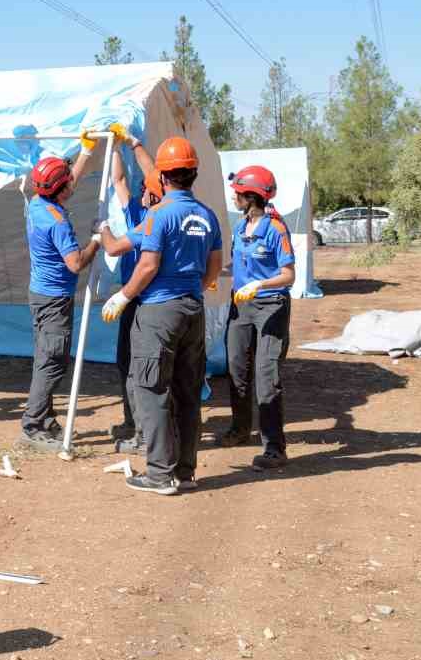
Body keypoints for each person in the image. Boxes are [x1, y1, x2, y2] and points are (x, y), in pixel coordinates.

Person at [102, 137, 222, 495]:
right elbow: (213, 270)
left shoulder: (159, 214)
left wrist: (123, 296)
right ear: (194, 173)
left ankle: (158, 474)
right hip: (193, 309)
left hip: (159, 312)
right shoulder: (206, 214)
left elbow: (148, 265)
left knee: (152, 390)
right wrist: (188, 290)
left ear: (164, 177)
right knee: (188, 393)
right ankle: (185, 472)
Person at [20, 153, 103, 451]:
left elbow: (66, 181)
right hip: (54, 300)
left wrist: (86, 152)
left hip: (39, 295)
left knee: (45, 358)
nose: (72, 184)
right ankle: (32, 424)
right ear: (60, 189)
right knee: (53, 363)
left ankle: (45, 419)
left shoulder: (38, 204)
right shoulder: (57, 222)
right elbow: (75, 263)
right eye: (68, 182)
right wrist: (97, 239)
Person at [95, 129, 165, 453]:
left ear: (155, 193)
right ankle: (132, 421)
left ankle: (143, 432)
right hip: (131, 298)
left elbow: (113, 248)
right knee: (125, 362)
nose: (141, 190)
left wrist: (102, 230)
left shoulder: (157, 218)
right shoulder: (140, 210)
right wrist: (116, 146)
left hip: (144, 299)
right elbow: (118, 182)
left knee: (140, 367)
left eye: (146, 189)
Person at [224, 164, 296, 470]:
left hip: (271, 306)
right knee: (236, 368)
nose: (234, 197)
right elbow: (236, 265)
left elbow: (289, 275)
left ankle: (275, 448)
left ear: (252, 195)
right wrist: (215, 273)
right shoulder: (241, 228)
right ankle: (240, 429)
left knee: (266, 377)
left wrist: (260, 285)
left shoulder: (276, 229)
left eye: (238, 193)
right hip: (241, 306)